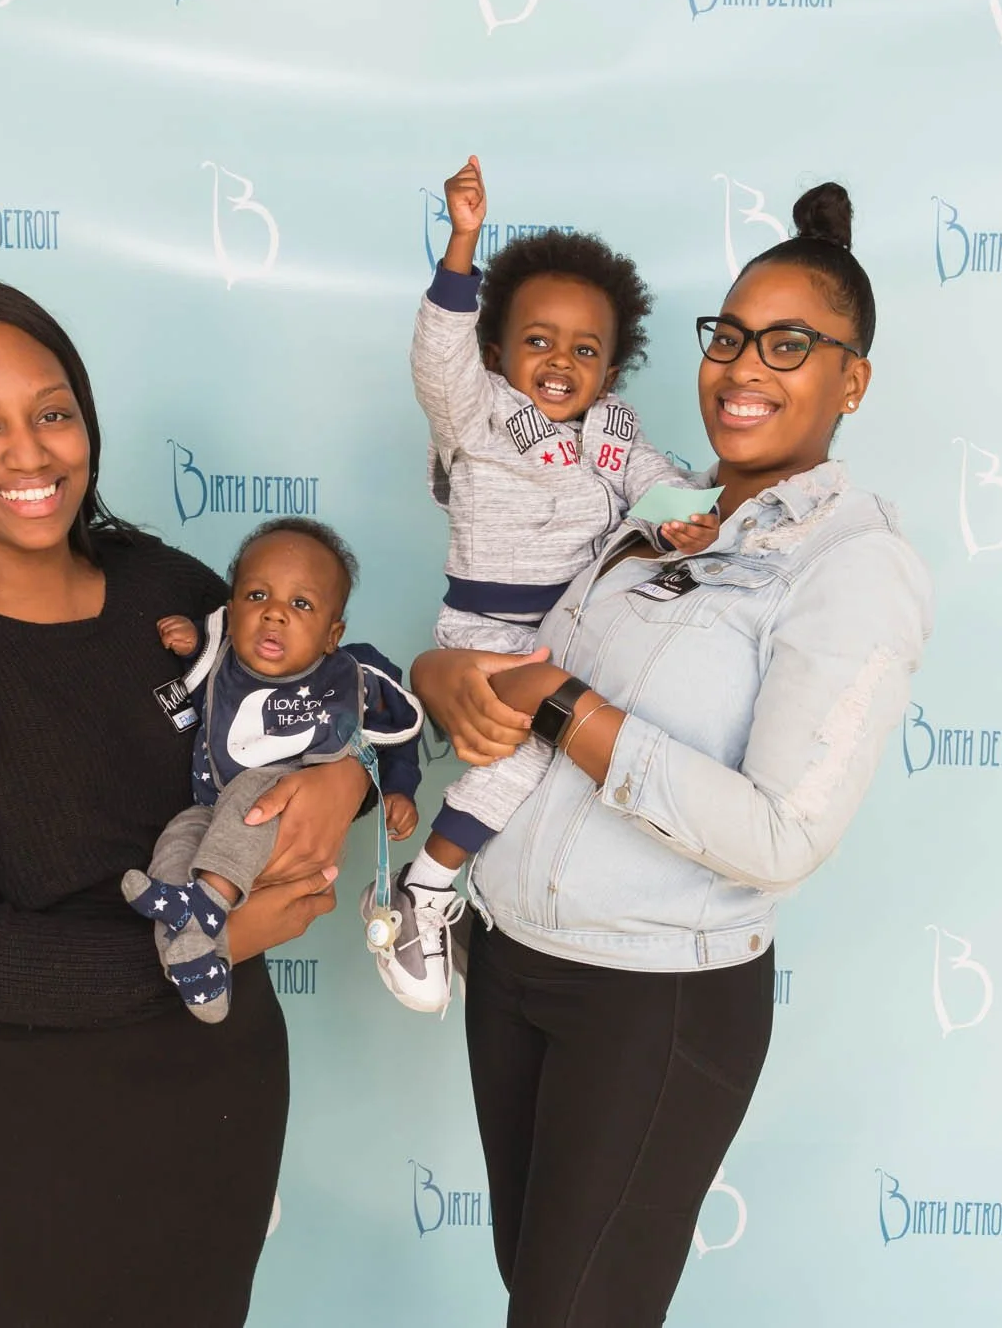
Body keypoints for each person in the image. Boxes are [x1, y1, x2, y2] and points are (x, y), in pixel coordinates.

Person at [0, 280, 371, 1327]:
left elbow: (299, 721)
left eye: (52, 412)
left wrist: (348, 780)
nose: (30, 453)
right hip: (40, 1130)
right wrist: (214, 944)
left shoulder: (165, 588)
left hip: (224, 1086)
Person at [409, 182, 935, 1326]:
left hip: (651, 1000)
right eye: (729, 337)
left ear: (851, 381)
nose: (743, 368)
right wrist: (438, 674)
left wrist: (566, 710)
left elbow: (780, 834)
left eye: (788, 345)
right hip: (511, 962)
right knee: (536, 1294)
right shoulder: (653, 511)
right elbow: (513, 657)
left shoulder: (851, 564)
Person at [380, 154, 718, 1013]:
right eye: (538, 341)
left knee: (596, 758)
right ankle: (423, 890)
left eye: (585, 349)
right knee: (524, 758)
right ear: (495, 352)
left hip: (582, 633)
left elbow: (659, 485)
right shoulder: (477, 416)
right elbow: (437, 359)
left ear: (611, 369)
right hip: (492, 636)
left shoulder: (615, 431)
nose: (561, 360)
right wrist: (462, 245)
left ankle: (494, 898)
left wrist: (685, 519)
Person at [124, 517, 423, 1023]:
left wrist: (398, 788)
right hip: (212, 816)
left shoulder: (348, 676)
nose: (275, 613)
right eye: (257, 596)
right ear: (231, 610)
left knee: (253, 794)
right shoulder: (218, 661)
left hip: (281, 819)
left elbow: (395, 732)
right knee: (176, 842)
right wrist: (195, 644)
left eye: (301, 604)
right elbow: (200, 693)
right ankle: (198, 964)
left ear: (332, 635)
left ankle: (205, 903)